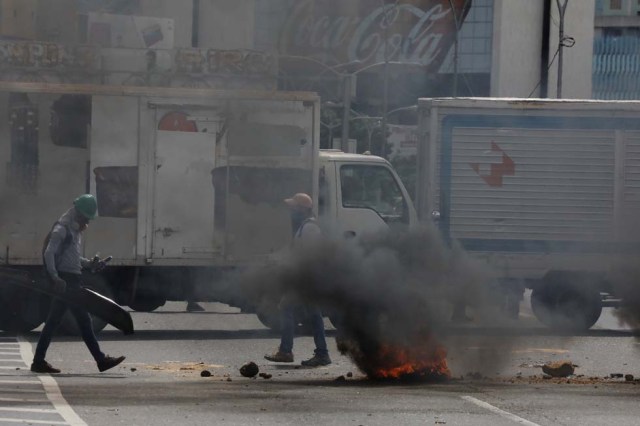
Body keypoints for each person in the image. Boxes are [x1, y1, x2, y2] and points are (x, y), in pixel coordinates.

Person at [31, 194, 126, 374]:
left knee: (60, 322)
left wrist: (90, 264)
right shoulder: (62, 229)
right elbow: (49, 254)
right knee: (81, 321)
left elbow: (72, 258)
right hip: (66, 281)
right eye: (86, 218)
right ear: (78, 214)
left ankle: (39, 361)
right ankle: (100, 360)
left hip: (72, 279)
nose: (87, 222)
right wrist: (55, 277)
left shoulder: (74, 231)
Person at [264, 193, 332, 367]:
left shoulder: (310, 228)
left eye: (294, 208)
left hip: (307, 279)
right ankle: (319, 353)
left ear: (303, 209)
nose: (291, 211)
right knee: (313, 314)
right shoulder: (305, 226)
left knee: (289, 308)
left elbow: (310, 255)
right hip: (306, 278)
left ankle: (287, 351)